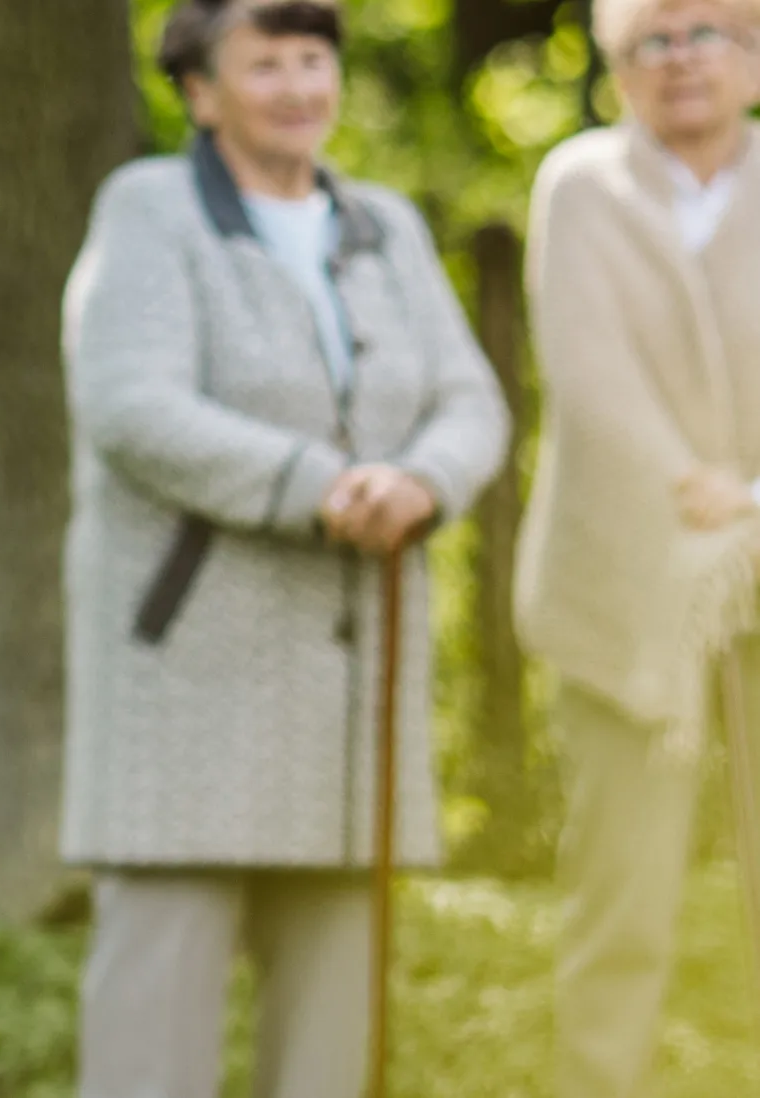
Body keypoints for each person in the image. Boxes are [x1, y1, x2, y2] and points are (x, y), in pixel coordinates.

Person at [57, 1, 511, 1094]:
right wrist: (324, 487)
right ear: (201, 91)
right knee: (149, 1047)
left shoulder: (384, 225)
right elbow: (128, 404)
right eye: (268, 64)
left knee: (330, 1048)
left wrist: (418, 480)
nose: (302, 85)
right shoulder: (149, 208)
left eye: (315, 60)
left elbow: (469, 400)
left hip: (352, 701)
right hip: (186, 686)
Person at [516, 1, 760, 1093]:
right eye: (650, 41)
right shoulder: (579, 184)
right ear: (616, 64)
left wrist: (750, 499)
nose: (680, 62)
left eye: (706, 33)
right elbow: (585, 366)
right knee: (619, 904)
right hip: (620, 583)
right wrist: (687, 487)